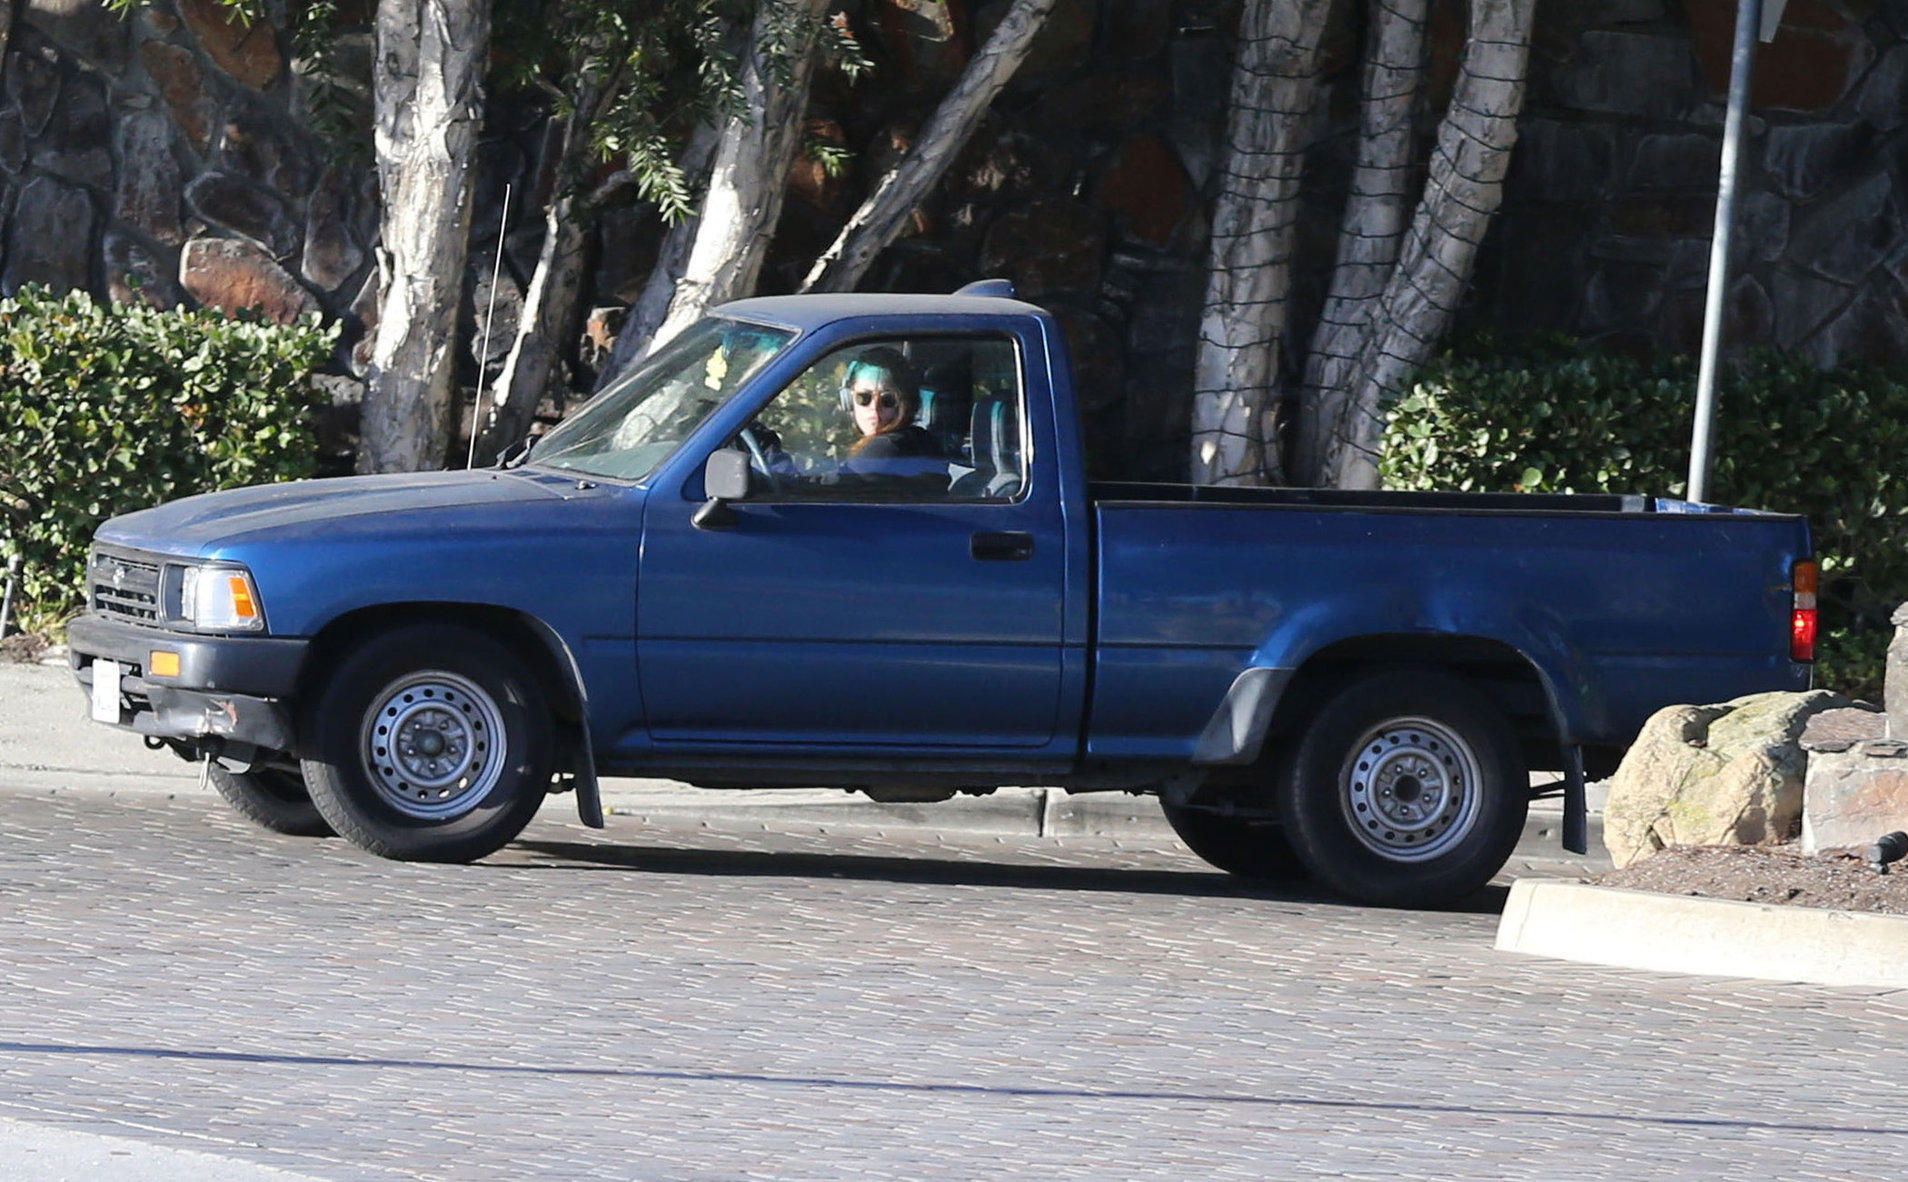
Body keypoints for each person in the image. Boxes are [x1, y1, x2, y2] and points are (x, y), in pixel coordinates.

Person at [835, 347, 946, 488]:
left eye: (888, 399)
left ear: (906, 403)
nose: (875, 408)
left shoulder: (884, 449)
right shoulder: (919, 440)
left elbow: (825, 492)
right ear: (848, 399)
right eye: (864, 397)